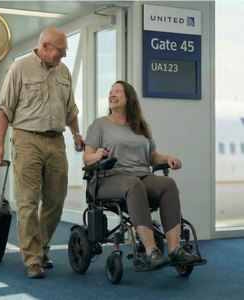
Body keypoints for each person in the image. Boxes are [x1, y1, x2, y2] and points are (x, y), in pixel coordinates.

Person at [0, 27, 83, 278]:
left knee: (55, 200)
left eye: (66, 50)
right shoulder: (19, 69)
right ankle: (32, 259)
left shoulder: (63, 71)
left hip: (56, 142)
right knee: (28, 202)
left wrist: (76, 133)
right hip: (26, 139)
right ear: (45, 47)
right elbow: (4, 110)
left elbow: (70, 108)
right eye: (60, 50)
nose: (64, 55)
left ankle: (41, 248)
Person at [83, 80, 199, 268]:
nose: (112, 94)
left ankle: (175, 250)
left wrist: (167, 158)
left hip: (141, 177)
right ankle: (151, 251)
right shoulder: (100, 124)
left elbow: (152, 158)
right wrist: (95, 156)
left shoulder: (141, 126)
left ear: (129, 98)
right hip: (108, 179)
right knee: (133, 183)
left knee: (168, 184)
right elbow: (86, 159)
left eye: (118, 91)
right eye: (111, 91)